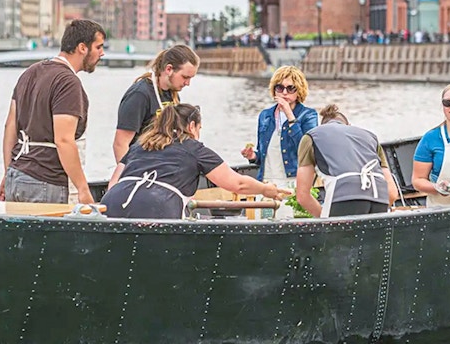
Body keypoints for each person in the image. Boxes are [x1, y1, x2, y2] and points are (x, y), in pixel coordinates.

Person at [105, 104, 290, 219]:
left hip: (113, 203)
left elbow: (114, 183)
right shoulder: (194, 148)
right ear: (192, 126)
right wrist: (266, 189)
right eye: (199, 128)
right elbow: (238, 184)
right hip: (158, 207)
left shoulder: (140, 145)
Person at [0, 19, 106, 205]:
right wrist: (83, 189)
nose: (102, 53)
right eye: (98, 47)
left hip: (16, 175)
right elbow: (64, 140)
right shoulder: (68, 83)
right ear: (82, 47)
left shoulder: (29, 73)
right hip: (46, 181)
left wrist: (8, 172)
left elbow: (10, 126)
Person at [295, 104, 399, 217]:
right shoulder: (371, 137)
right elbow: (392, 193)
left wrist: (324, 220)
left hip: (343, 196)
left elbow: (302, 195)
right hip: (379, 196)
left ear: (323, 125)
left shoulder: (311, 136)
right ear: (349, 125)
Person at [112, 44, 200, 162]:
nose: (188, 83)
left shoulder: (172, 94)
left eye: (191, 78)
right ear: (169, 69)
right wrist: (128, 175)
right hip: (141, 164)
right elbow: (120, 144)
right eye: (185, 77)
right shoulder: (140, 95)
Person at [240, 65, 318, 184]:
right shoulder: (265, 115)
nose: (284, 92)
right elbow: (263, 155)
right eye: (280, 88)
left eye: (290, 88)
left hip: (294, 181)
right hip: (266, 182)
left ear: (299, 90)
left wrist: (290, 116)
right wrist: (253, 156)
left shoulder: (308, 115)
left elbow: (307, 152)